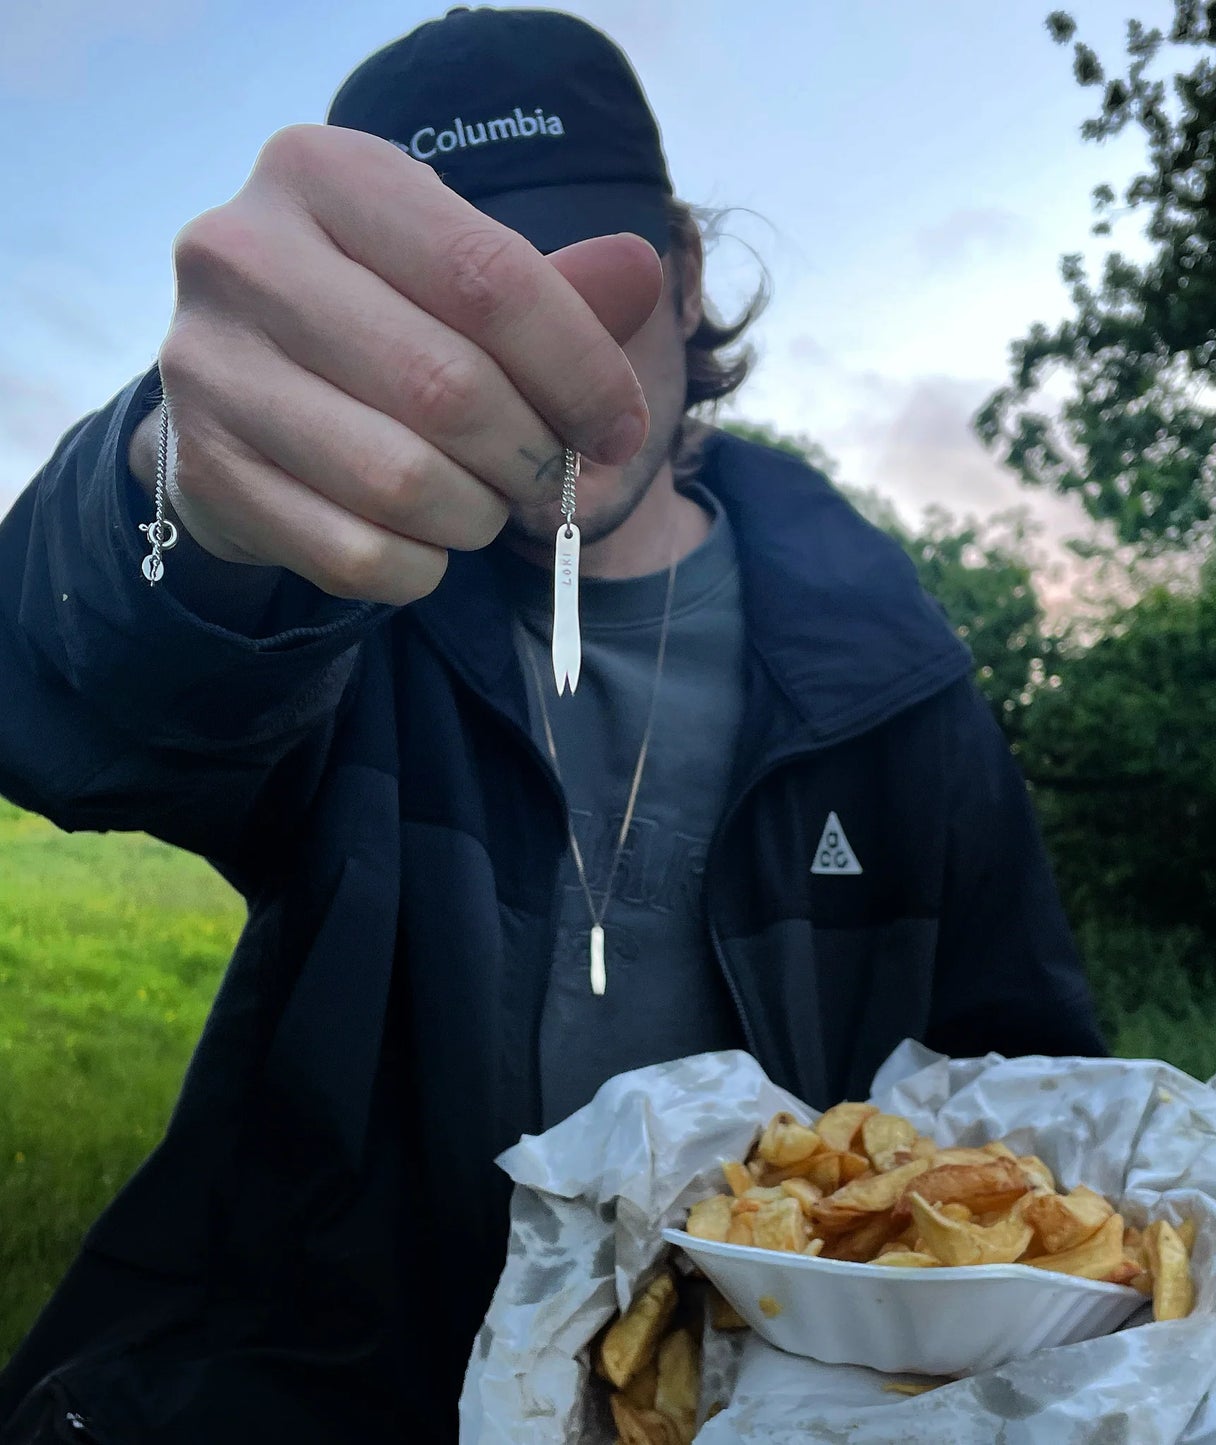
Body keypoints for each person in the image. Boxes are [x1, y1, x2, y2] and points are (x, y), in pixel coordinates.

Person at [0, 7, 1105, 1441]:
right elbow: (79, 710)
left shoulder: (882, 665)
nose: (535, 354)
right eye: (456, 309)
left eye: (594, 279)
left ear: (691, 271)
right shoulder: (354, 618)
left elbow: (1031, 1075)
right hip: (359, 1392)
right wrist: (172, 484)